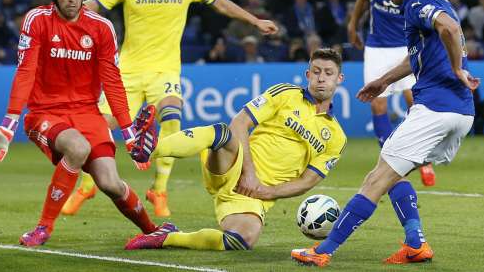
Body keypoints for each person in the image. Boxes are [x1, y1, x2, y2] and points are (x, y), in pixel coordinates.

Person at [63, 0, 278, 217]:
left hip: (165, 71)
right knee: (99, 127)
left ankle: (159, 189)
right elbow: (92, 6)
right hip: (126, 72)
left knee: (172, 118)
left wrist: (254, 20)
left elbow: (219, 2)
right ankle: (87, 185)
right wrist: (60, 14)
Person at [291, 0, 477, 267]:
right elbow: (423, 50)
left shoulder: (417, 4)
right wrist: (382, 81)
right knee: (393, 173)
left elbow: (447, 28)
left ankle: (322, 251)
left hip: (435, 109)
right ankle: (415, 243)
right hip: (461, 113)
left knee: (375, 179)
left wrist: (458, 68)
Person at [0, 0, 167, 247]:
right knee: (78, 148)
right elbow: (26, 71)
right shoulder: (37, 20)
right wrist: (9, 122)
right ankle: (44, 228)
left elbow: (112, 81)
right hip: (45, 113)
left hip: (88, 114)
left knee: (109, 182)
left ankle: (153, 231)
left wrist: (127, 131)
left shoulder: (101, 27)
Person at [124, 48, 347, 251]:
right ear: (307, 75)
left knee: (242, 240)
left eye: (328, 73)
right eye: (316, 71)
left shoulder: (336, 137)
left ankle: (168, 237)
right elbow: (240, 123)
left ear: (339, 79)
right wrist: (248, 173)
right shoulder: (285, 94)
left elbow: (307, 181)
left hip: (251, 196)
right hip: (234, 165)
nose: (321, 78)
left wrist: (266, 192)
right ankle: (149, 148)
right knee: (224, 133)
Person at [347, 0, 438, 187]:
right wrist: (353, 25)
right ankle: (389, 160)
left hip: (408, 48)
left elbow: (437, 12)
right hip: (377, 47)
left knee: (415, 103)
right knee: (377, 105)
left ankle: (423, 158)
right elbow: (362, 0)